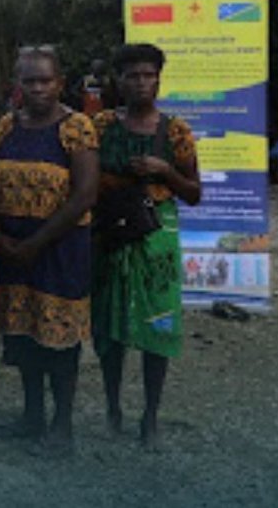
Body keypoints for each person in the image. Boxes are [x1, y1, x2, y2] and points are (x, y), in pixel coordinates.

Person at [0, 45, 98, 456]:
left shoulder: (76, 127)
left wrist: (37, 242)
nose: (37, 88)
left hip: (60, 250)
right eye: (29, 81)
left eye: (45, 80)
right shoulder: (6, 127)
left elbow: (85, 194)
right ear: (17, 84)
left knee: (59, 341)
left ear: (60, 83)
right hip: (12, 250)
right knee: (23, 335)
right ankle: (31, 416)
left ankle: (61, 426)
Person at [91, 43, 201, 450]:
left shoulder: (175, 131)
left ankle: (150, 417)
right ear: (118, 81)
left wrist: (165, 170)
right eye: (132, 75)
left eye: (148, 75)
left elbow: (194, 194)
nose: (141, 83)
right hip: (110, 234)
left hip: (157, 238)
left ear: (159, 79)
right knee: (110, 324)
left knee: (159, 322)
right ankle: (113, 409)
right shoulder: (101, 126)